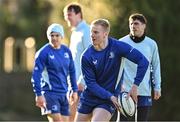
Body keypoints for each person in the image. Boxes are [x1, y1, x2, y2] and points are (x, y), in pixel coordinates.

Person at [75, 18, 149, 121]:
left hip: (107, 101)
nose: (92, 35)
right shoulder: (86, 56)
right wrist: (110, 96)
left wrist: (135, 85)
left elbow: (143, 61)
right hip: (89, 97)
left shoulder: (118, 47)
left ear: (105, 34)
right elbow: (91, 84)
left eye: (96, 32)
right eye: (91, 32)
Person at [118, 13, 161, 121]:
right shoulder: (122, 42)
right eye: (131, 23)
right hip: (125, 91)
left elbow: (155, 66)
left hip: (144, 91)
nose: (133, 26)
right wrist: (119, 85)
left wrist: (157, 86)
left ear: (144, 26)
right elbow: (116, 67)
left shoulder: (151, 44)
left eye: (136, 23)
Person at [31, 23, 78, 122]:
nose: (54, 38)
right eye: (52, 35)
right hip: (49, 94)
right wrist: (38, 94)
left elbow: (72, 71)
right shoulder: (43, 53)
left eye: (57, 35)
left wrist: (74, 90)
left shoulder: (66, 51)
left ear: (61, 36)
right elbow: (36, 75)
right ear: (48, 37)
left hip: (64, 94)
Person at [63, 3, 91, 121]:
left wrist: (83, 81)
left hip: (83, 86)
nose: (67, 18)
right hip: (73, 85)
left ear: (78, 14)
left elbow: (91, 59)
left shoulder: (87, 31)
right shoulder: (75, 33)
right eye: (65, 15)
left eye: (69, 14)